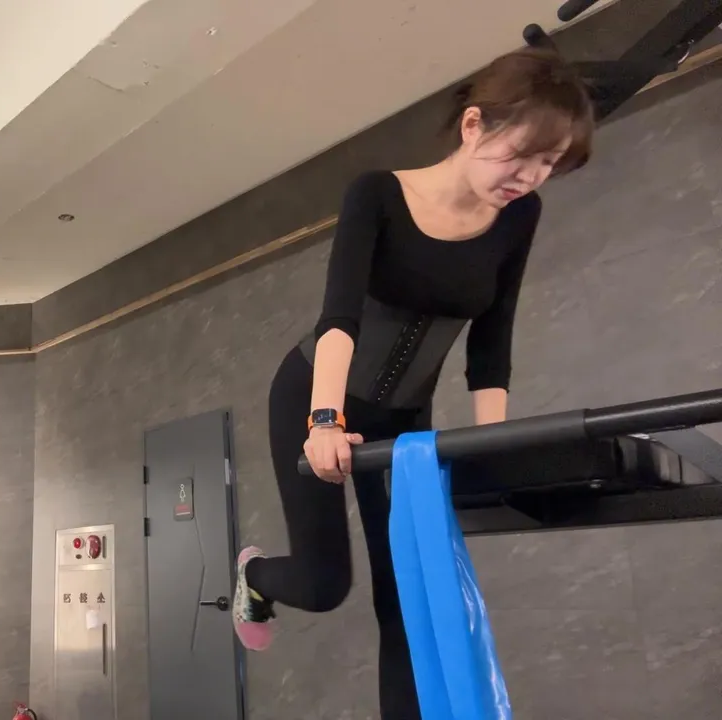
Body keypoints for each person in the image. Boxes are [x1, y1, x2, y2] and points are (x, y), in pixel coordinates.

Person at [231, 47, 596, 718]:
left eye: (550, 164)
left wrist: (494, 446)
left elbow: (491, 342)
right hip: (315, 393)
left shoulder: (520, 216)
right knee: (324, 584)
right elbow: (338, 319)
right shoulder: (377, 194)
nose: (532, 177)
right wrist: (324, 421)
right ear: (474, 125)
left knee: (407, 596)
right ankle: (254, 576)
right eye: (523, 155)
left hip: (405, 420)